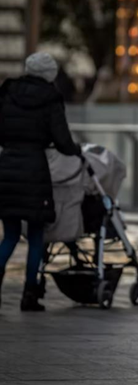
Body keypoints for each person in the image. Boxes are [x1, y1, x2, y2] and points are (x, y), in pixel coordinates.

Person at [0, 52, 82, 311]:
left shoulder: (8, 92)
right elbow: (62, 140)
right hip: (35, 169)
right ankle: (29, 295)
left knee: (10, 235)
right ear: (50, 74)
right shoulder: (50, 98)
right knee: (36, 235)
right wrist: (76, 151)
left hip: (6, 166)